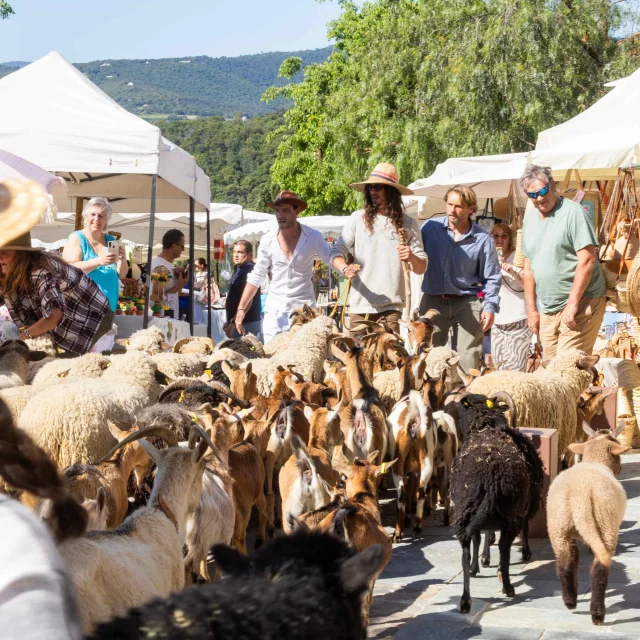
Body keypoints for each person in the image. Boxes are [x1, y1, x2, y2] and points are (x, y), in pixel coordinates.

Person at [521, 165, 606, 359]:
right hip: (549, 309)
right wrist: (532, 311)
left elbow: (587, 259)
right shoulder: (530, 220)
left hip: (582, 303)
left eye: (543, 191)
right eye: (533, 195)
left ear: (552, 186)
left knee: (568, 370)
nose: (540, 198)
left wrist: (572, 303)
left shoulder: (573, 212)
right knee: (551, 372)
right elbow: (528, 268)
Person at [330, 163, 427, 333]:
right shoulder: (356, 219)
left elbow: (421, 267)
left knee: (389, 359)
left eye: (378, 187)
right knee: (358, 359)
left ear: (391, 192)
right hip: (361, 307)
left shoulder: (409, 225)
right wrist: (345, 269)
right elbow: (336, 252)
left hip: (391, 308)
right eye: (370, 188)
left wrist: (411, 257)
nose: (372, 191)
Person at [420, 185, 501, 373]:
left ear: (471, 209)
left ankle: (467, 399)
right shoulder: (430, 228)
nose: (452, 210)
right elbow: (415, 254)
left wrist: (489, 307)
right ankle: (431, 400)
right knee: (429, 357)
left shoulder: (482, 239)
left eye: (458, 206)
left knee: (468, 359)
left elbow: (492, 277)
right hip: (433, 301)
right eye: (449, 204)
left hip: (467, 302)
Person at [235, 191, 331, 342]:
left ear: (297, 210)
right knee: (272, 358)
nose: (280, 215)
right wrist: (241, 309)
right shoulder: (268, 239)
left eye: (285, 210)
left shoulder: (313, 236)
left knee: (304, 358)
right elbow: (257, 275)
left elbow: (331, 258)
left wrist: (346, 269)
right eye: (277, 210)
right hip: (275, 311)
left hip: (304, 311)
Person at [0, 232, 112, 355]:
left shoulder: (40, 271)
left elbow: (54, 315)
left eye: (5, 252)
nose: (0, 257)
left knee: (66, 366)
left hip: (92, 315)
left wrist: (24, 336)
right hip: (69, 317)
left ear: (21, 254)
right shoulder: (12, 270)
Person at [62, 197, 128, 312]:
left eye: (101, 216)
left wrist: (122, 259)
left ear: (106, 220)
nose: (96, 219)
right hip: (83, 309)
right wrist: (98, 261)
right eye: (93, 214)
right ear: (85, 217)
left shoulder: (110, 240)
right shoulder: (76, 238)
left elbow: (121, 274)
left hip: (108, 308)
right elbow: (68, 269)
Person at [490, 223, 532, 371]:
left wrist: (514, 272)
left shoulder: (518, 258)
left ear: (509, 239)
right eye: (496, 236)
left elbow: (528, 286)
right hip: (497, 320)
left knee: (514, 371)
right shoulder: (489, 258)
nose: (499, 239)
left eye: (504, 236)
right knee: (498, 367)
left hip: (518, 319)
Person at [225, 240, 262, 340]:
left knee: (243, 353)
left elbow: (249, 299)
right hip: (241, 322)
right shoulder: (240, 268)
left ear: (249, 255)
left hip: (246, 323)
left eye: (240, 252)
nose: (236, 255)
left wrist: (234, 322)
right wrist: (230, 320)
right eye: (234, 252)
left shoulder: (248, 270)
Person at [150, 229, 189, 319]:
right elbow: (156, 298)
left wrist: (177, 279)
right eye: (182, 246)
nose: (183, 250)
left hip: (168, 316)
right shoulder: (161, 268)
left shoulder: (167, 266)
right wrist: (179, 285)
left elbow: (174, 294)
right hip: (161, 318)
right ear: (174, 246)